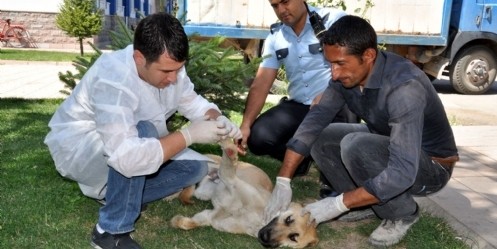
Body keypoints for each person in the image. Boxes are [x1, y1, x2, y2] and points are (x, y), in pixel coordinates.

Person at [44, 13, 241, 249]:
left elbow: (192, 102)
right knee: (144, 130)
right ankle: (109, 232)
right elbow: (126, 155)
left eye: (178, 69)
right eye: (166, 71)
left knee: (195, 168)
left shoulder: (170, 66)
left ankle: (118, 196)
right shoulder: (113, 78)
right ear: (139, 58)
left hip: (127, 148)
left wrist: (219, 119)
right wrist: (189, 135)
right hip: (82, 149)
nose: (173, 78)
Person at [263, 15, 459, 247]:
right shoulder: (345, 77)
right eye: (331, 64)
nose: (334, 74)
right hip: (391, 143)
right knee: (322, 137)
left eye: (340, 64)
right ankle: (365, 204)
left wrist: (338, 204)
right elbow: (315, 120)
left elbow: (403, 171)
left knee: (355, 146)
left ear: (368, 56)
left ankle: (401, 214)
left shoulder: (405, 88)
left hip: (431, 165)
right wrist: (283, 180)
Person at [237, 0, 354, 185]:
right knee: (258, 137)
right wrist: (245, 124)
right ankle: (301, 160)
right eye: (275, 6)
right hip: (300, 105)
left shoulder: (333, 21)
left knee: (335, 170)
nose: (281, 10)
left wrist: (331, 93)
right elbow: (261, 83)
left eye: (285, 2)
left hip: (336, 102)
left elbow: (353, 66)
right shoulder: (276, 37)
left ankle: (326, 162)